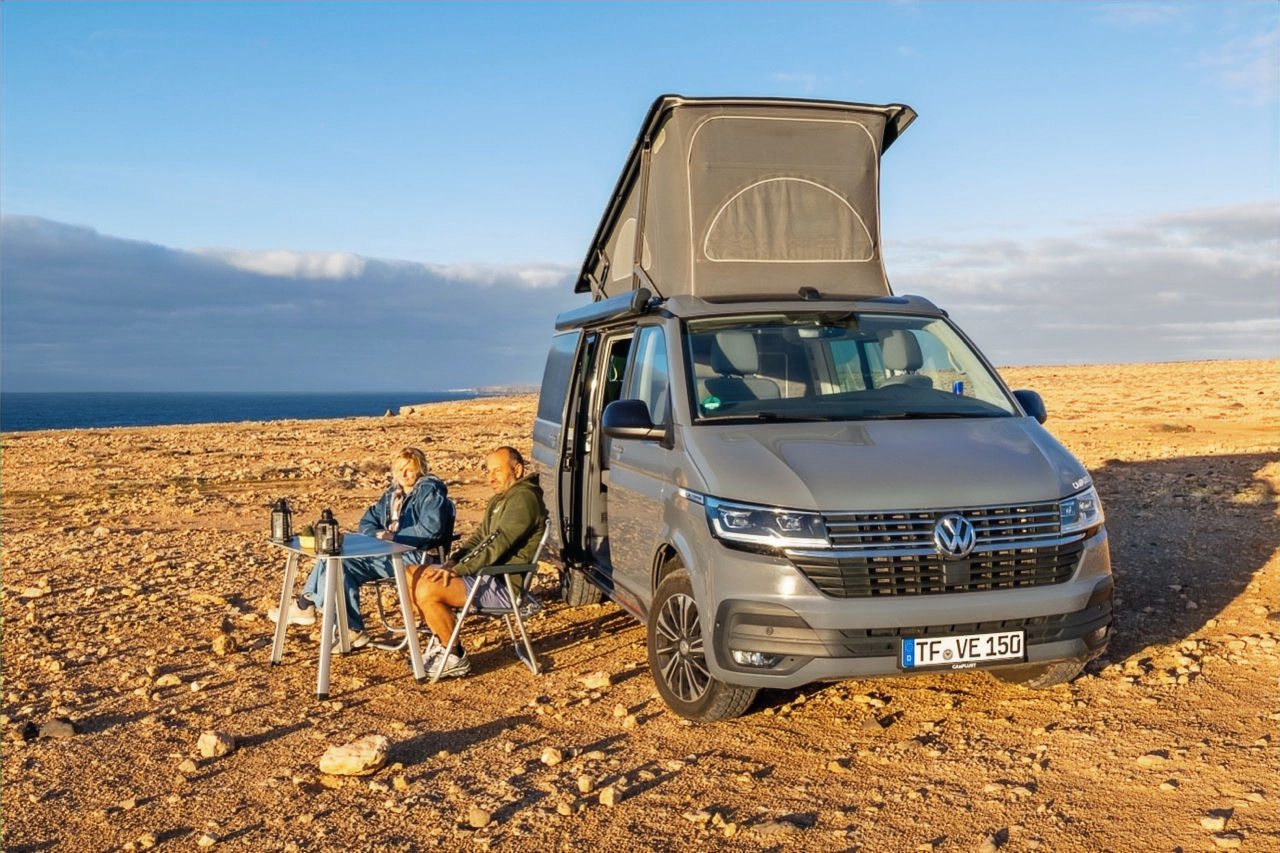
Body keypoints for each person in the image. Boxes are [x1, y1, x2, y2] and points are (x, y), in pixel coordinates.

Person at [270, 447, 454, 648]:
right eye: (399, 469)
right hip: (389, 551)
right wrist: (378, 535)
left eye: (409, 469)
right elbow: (366, 523)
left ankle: (309, 606)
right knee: (335, 560)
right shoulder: (393, 495)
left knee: (338, 560)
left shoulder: (429, 491)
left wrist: (395, 537)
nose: (403, 474)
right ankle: (347, 627)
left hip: (415, 556)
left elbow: (431, 529)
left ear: (421, 469)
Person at [407, 446, 546, 677]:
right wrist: (452, 562)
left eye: (497, 471)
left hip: (502, 584)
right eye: (488, 471)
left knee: (427, 589)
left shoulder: (524, 499)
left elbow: (496, 544)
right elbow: (480, 538)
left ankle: (454, 654)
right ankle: (443, 641)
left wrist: (461, 570)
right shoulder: (501, 499)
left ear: (518, 470)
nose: (491, 477)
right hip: (484, 575)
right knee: (411, 574)